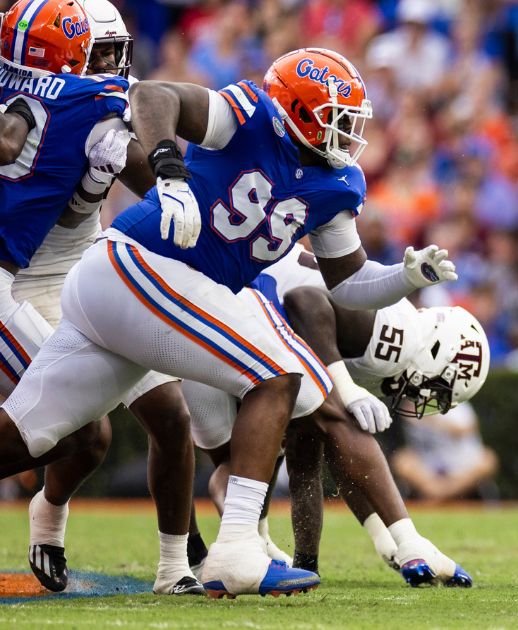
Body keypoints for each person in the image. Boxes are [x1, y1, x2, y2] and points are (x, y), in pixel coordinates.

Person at [0, 46, 458, 598]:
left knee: (29, 433)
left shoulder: (338, 185)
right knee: (277, 375)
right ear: (298, 109)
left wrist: (406, 279)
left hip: (132, 281)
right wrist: (169, 169)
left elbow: (350, 283)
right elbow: (151, 95)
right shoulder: (250, 115)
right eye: (338, 118)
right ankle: (238, 548)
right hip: (148, 264)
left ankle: (233, 547)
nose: (348, 132)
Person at [6, 0, 207, 597]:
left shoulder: (102, 113)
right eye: (100, 54)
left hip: (83, 269)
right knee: (85, 431)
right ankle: (51, 514)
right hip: (17, 278)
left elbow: (149, 175)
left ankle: (178, 564)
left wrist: (183, 189)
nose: (114, 66)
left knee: (170, 417)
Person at [183, 246, 486, 585]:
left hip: (220, 311)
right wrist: (343, 384)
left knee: (286, 447)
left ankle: (226, 554)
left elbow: (331, 455)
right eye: (437, 388)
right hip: (225, 305)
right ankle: (410, 542)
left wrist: (378, 538)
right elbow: (305, 301)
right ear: (437, 351)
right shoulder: (398, 339)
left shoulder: (391, 339)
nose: (425, 398)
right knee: (237, 460)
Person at [392, 402, 499, 503]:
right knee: (402, 460)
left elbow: (463, 430)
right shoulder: (412, 406)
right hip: (427, 468)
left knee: (487, 459)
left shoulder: (459, 405)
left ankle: (440, 496)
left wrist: (432, 418)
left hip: (463, 466)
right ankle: (438, 494)